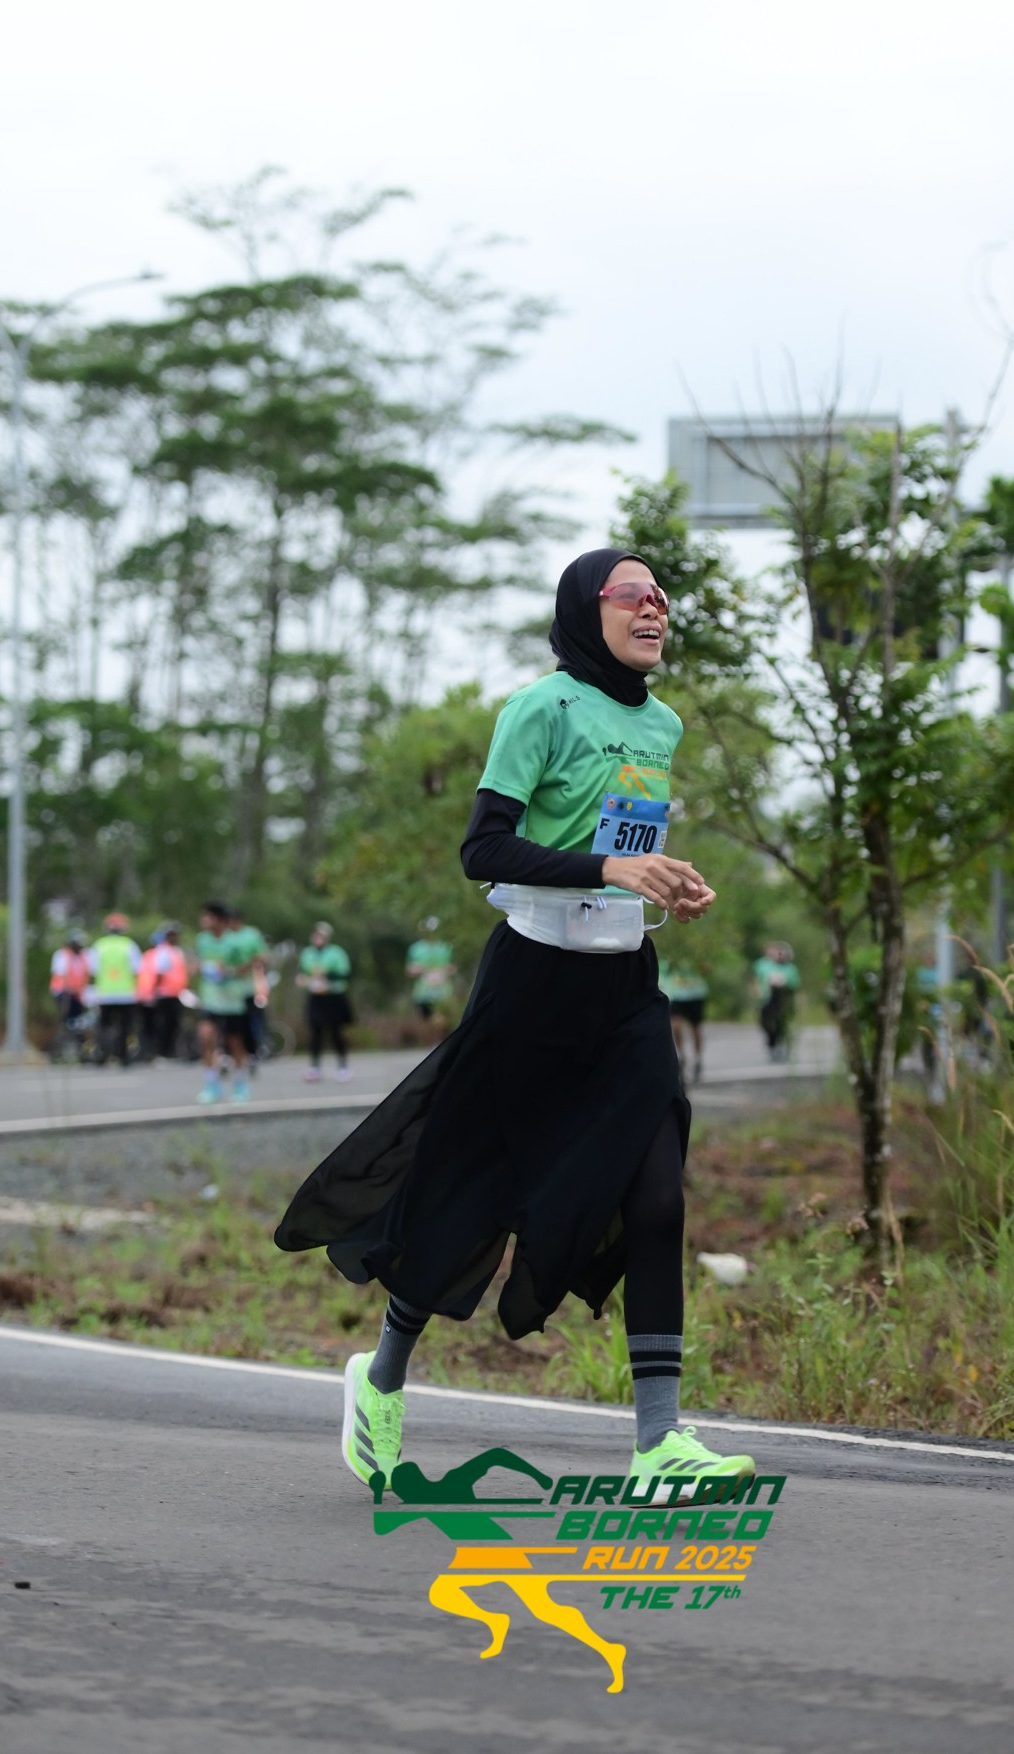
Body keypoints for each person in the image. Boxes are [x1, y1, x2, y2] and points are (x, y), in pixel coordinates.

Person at [276, 548, 755, 1498]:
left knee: (658, 1194)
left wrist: (661, 879)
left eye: (662, 597)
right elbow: (485, 847)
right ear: (585, 610)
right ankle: (380, 1380)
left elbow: (619, 842)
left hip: (626, 989)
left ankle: (658, 1444)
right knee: (468, 1198)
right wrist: (610, 869)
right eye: (632, 594)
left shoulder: (661, 723)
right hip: (532, 988)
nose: (654, 608)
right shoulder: (540, 709)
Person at [194, 901, 250, 1105]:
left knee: (234, 1043)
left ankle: (240, 1084)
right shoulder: (202, 940)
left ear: (218, 920)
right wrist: (199, 968)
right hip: (210, 1000)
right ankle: (212, 1085)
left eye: (207, 916)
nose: (203, 920)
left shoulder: (234, 942)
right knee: (205, 1037)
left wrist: (228, 971)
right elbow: (201, 962)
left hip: (232, 1002)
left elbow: (247, 965)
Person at [297, 922, 353, 1082]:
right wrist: (304, 979)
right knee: (315, 1032)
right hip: (316, 996)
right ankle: (314, 1067)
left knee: (336, 1032)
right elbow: (304, 973)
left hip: (333, 996)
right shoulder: (308, 953)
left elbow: (344, 973)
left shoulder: (336, 953)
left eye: (321, 935)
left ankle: (343, 1066)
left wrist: (325, 976)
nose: (318, 938)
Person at [89, 913, 142, 1067]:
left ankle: (102, 1053)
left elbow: (93, 969)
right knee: (124, 1026)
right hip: (126, 994)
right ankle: (123, 1056)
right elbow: (137, 969)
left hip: (105, 994)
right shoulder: (129, 945)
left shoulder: (99, 946)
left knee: (104, 1025)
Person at [226, 904, 269, 1078]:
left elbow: (262, 956)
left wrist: (248, 964)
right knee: (229, 1025)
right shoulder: (224, 936)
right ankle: (228, 1056)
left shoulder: (251, 935)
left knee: (249, 1023)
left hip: (248, 988)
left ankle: (252, 1054)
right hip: (228, 990)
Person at [137, 923, 189, 1062]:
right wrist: (154, 991)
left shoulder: (176, 951)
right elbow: (159, 973)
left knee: (172, 1024)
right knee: (163, 1024)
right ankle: (161, 1052)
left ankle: (168, 1051)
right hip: (163, 994)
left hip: (174, 993)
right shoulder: (163, 951)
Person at [659, 953, 708, 1085]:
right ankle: (681, 1056)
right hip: (676, 995)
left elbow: (706, 969)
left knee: (696, 1028)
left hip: (695, 994)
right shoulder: (670, 952)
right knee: (675, 1025)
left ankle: (697, 1059)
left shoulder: (696, 951)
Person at [405, 918, 455, 1036]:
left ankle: (440, 1041)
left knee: (441, 1019)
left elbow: (452, 967)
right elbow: (409, 970)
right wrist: (421, 969)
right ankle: (431, 1043)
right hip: (423, 992)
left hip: (443, 990)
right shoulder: (416, 948)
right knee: (426, 1019)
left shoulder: (446, 946)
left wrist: (443, 971)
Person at [753, 940, 799, 1060]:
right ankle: (772, 1043)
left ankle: (779, 1046)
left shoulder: (790, 968)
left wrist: (783, 984)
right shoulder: (763, 965)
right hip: (767, 999)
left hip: (782, 1000)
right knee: (766, 1023)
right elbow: (757, 979)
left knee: (780, 1024)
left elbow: (795, 984)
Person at [49, 930, 90, 1039]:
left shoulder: (84, 956)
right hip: (63, 992)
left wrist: (81, 990)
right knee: (68, 1017)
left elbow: (86, 974)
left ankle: (79, 1038)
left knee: (79, 1018)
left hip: (78, 994)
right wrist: (73, 989)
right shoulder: (62, 955)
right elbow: (63, 976)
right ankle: (67, 1037)